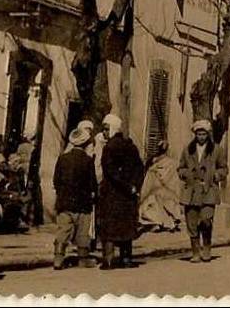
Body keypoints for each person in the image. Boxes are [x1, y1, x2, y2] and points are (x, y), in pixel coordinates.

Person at [97, 113, 145, 269]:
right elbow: (140, 168)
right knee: (126, 226)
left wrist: (124, 185)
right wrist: (134, 186)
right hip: (128, 195)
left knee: (109, 228)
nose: (104, 132)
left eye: (106, 129)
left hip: (113, 193)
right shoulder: (130, 146)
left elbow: (110, 171)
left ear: (113, 129)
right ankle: (126, 259)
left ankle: (108, 260)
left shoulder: (109, 147)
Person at [177, 119, 227, 262]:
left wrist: (216, 175)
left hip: (208, 190)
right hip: (191, 191)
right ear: (195, 134)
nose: (201, 137)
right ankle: (195, 252)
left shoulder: (216, 149)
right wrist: (186, 174)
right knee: (192, 223)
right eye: (199, 134)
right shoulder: (188, 149)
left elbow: (224, 168)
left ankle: (206, 248)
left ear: (208, 134)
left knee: (206, 220)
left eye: (204, 134)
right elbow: (180, 168)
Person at [52, 127, 98, 269]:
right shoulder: (88, 161)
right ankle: (83, 259)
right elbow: (92, 183)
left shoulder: (62, 159)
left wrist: (62, 193)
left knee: (63, 231)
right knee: (82, 233)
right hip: (82, 203)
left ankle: (58, 259)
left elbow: (56, 180)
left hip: (64, 202)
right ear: (85, 143)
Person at [139, 140, 183, 232]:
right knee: (159, 203)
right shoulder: (168, 162)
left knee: (159, 203)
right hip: (162, 190)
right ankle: (166, 222)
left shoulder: (160, 163)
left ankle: (165, 222)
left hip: (163, 189)